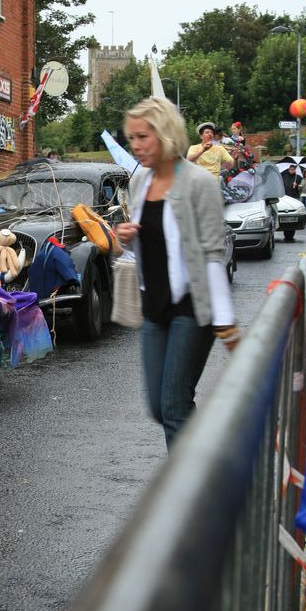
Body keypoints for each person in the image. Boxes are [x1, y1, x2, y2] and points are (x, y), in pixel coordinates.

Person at [116, 98, 240, 450]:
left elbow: (214, 256)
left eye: (143, 137)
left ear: (166, 134)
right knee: (159, 406)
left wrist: (227, 327)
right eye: (132, 138)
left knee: (174, 405)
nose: (136, 145)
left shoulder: (199, 183)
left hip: (191, 308)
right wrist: (126, 239)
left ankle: (190, 493)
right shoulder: (141, 182)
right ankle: (207, 457)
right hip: (154, 309)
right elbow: (149, 246)